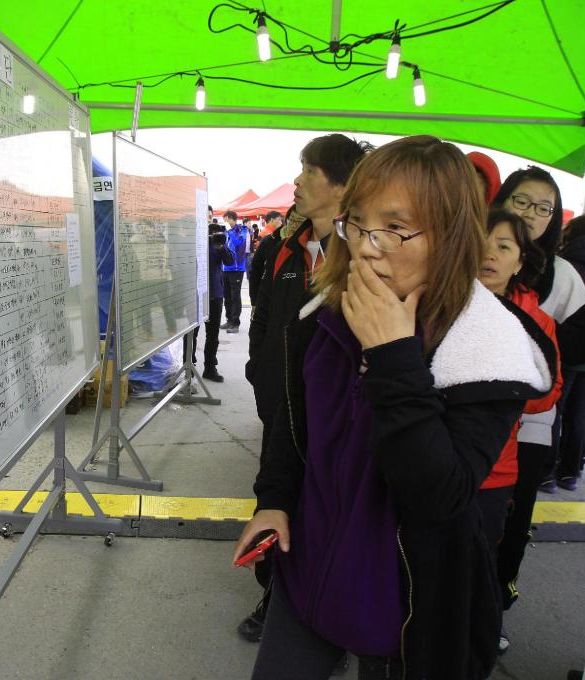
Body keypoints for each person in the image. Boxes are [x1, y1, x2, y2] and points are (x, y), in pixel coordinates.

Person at [234, 135, 555, 680]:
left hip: (407, 608)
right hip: (307, 572)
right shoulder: (326, 315)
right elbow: (293, 427)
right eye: (355, 221)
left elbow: (441, 493)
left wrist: (393, 358)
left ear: (453, 236)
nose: (365, 246)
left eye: (396, 227)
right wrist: (274, 499)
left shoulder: (485, 351)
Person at [239, 134, 369, 642]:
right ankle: (273, 595)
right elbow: (262, 319)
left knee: (323, 508)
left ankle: (317, 608)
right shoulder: (281, 248)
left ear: (339, 184)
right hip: (280, 407)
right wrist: (259, 373)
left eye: (308, 171)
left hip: (335, 416)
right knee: (274, 494)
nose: (297, 181)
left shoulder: (361, 252)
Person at [493, 169, 585, 646]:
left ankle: (492, 610)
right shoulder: (473, 251)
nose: (532, 214)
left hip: (530, 427)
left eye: (544, 207)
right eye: (522, 201)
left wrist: (538, 344)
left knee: (510, 525)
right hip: (461, 422)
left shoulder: (562, 273)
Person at [476, 209, 561, 561]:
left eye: (504, 246)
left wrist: (496, 391)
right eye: (480, 242)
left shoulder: (537, 322)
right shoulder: (436, 304)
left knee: (474, 570)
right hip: (431, 460)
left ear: (519, 263)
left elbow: (548, 394)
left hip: (494, 470)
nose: (489, 253)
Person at [553, 214, 585, 489]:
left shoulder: (568, 262)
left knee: (556, 408)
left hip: (569, 348)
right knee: (580, 409)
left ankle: (547, 472)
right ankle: (572, 470)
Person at [186, 206, 233, 382]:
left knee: (212, 334)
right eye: (203, 216)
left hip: (215, 293)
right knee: (191, 334)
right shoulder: (190, 237)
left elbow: (230, 260)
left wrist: (221, 245)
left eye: (209, 216)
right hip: (194, 294)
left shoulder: (216, 236)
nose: (206, 219)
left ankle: (210, 368)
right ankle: (188, 367)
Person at [248, 210, 283, 309]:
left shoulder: (266, 233)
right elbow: (258, 265)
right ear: (272, 220)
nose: (281, 223)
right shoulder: (268, 235)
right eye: (279, 220)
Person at [221, 210, 248, 333]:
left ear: (231, 218)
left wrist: (230, 231)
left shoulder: (241, 230)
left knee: (235, 295)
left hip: (237, 268)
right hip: (225, 268)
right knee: (226, 295)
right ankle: (229, 320)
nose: (224, 221)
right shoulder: (225, 232)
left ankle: (235, 323)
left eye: (225, 218)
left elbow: (239, 243)